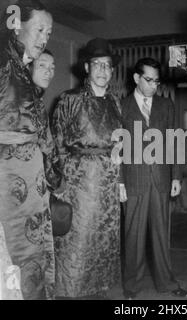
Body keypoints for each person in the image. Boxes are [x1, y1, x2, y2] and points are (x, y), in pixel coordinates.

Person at [51, 38, 125, 299]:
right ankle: (69, 293)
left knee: (103, 244)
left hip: (108, 184)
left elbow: (120, 141)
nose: (103, 70)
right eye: (97, 65)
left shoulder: (115, 103)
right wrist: (59, 183)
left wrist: (120, 180)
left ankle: (98, 292)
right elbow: (56, 143)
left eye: (107, 66)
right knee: (77, 243)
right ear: (87, 68)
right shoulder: (68, 100)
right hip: (78, 183)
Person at [121, 57, 187, 299]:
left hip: (161, 179)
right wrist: (119, 182)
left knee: (161, 235)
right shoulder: (122, 107)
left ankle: (167, 284)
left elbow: (175, 142)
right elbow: (117, 149)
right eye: (148, 80)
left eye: (156, 81)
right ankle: (132, 286)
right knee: (133, 238)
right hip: (133, 181)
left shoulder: (166, 106)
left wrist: (176, 177)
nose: (153, 86)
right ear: (136, 78)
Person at [0, 0, 55, 300]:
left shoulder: (23, 72)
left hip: (33, 193)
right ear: (17, 26)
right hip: (9, 190)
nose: (44, 37)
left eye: (48, 32)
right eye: (39, 29)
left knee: (34, 266)